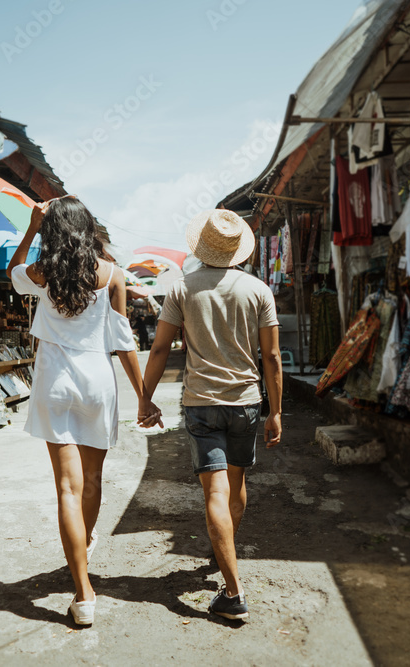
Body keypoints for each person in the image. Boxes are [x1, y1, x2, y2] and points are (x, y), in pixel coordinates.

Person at [9, 196, 148, 626]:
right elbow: (124, 341)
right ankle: (82, 547)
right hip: (97, 384)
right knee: (91, 482)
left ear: (52, 232)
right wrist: (145, 396)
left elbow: (11, 275)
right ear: (88, 229)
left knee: (66, 490)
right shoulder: (112, 275)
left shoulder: (41, 272)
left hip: (54, 383)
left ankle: (83, 594)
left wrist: (33, 227)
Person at [139, 209, 283, 621]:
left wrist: (145, 398)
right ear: (239, 249)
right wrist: (276, 412)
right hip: (246, 403)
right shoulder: (258, 290)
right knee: (235, 483)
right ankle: (225, 548)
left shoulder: (182, 289)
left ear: (202, 247)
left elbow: (161, 349)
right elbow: (271, 356)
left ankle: (233, 593)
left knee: (215, 494)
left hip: (202, 404)